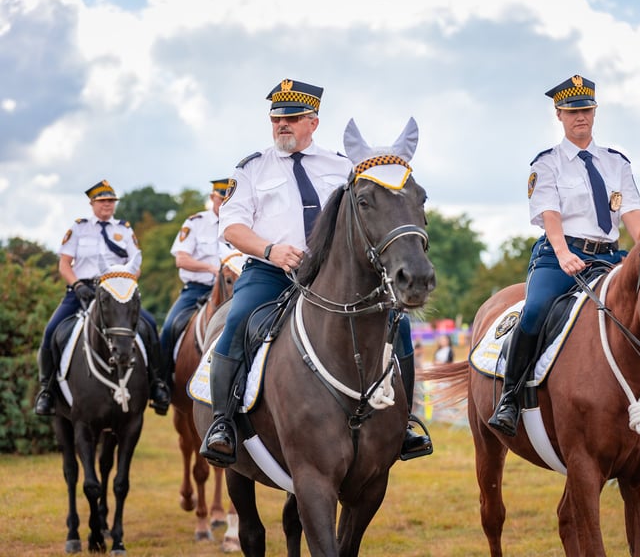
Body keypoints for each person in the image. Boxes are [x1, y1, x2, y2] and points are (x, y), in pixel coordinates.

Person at [199, 79, 431, 466]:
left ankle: (405, 422)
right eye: (276, 119)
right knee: (237, 320)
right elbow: (232, 227)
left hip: (333, 276)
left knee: (398, 324)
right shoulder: (251, 168)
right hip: (271, 272)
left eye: (292, 118)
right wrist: (270, 250)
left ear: (313, 122)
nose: (282, 125)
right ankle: (222, 423)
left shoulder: (344, 166)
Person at [487, 75, 640, 439]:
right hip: (560, 255)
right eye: (572, 112)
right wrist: (562, 253)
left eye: (586, 110)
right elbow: (550, 215)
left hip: (609, 255)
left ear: (595, 111)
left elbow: (633, 216)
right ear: (559, 115)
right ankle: (510, 397)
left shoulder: (617, 163)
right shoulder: (548, 163)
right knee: (535, 310)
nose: (580, 117)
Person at [34, 180, 169, 416]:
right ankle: (47, 389)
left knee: (149, 325)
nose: (108, 205)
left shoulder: (124, 229)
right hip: (82, 290)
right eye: (103, 201)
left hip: (116, 292)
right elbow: (64, 264)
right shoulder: (79, 228)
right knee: (52, 330)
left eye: (111, 201)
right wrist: (77, 285)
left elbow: (136, 265)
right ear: (92, 203)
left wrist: (125, 283)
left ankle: (157, 383)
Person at [158, 179, 231, 398]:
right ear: (212, 198)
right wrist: (210, 268)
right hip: (198, 289)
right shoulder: (195, 222)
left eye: (228, 199)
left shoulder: (241, 223)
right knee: (170, 327)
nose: (224, 203)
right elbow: (181, 259)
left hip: (232, 290)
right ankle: (162, 384)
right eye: (220, 198)